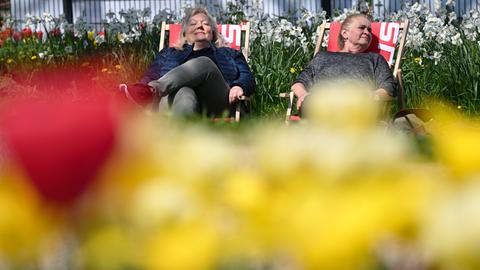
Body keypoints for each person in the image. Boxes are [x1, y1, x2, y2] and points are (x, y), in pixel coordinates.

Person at [122, 7, 255, 117]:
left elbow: (247, 76)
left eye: (205, 23)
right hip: (174, 102)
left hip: (216, 103)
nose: (200, 26)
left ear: (213, 32)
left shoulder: (230, 54)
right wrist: (140, 88)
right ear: (185, 32)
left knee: (204, 62)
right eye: (193, 23)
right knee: (184, 92)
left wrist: (240, 86)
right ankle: (182, 139)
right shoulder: (169, 54)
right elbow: (149, 76)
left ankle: (152, 90)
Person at [291, 13, 396, 115]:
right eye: (361, 28)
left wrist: (371, 96)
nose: (367, 32)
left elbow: (388, 88)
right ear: (345, 33)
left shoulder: (375, 59)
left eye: (369, 30)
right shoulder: (322, 57)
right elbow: (299, 82)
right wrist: (302, 94)